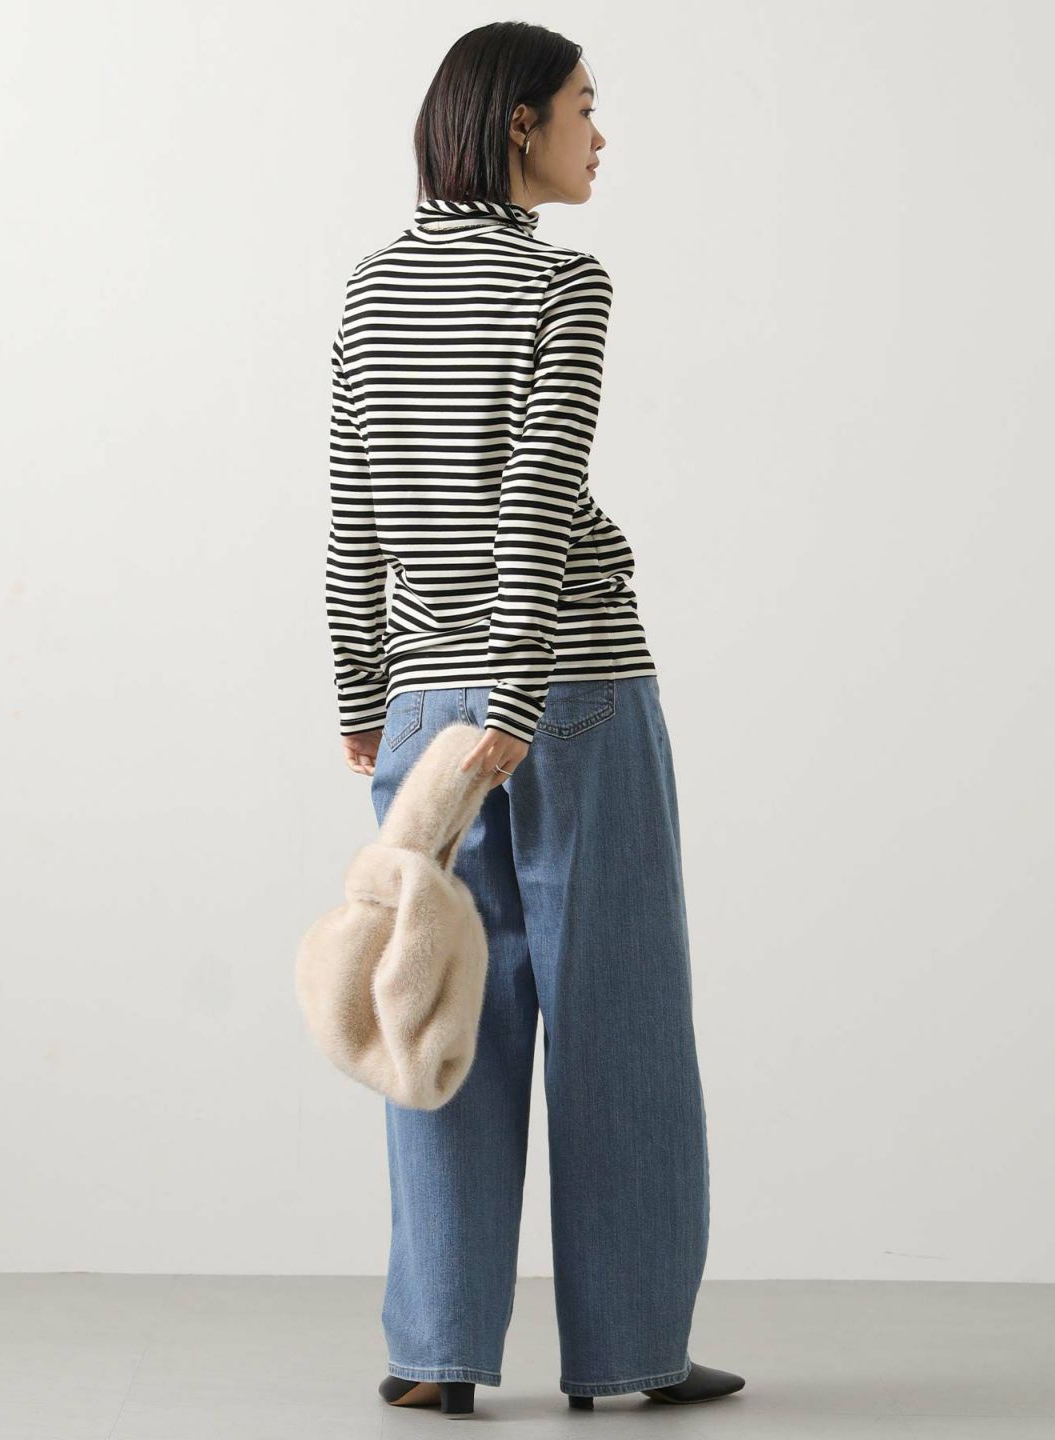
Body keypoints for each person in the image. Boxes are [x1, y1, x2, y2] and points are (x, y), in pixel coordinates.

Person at [323, 20, 745, 1417]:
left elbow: (357, 511)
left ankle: (438, 1354)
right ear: (520, 126)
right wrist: (516, 694)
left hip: (421, 706)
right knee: (619, 1018)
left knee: (438, 1011)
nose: (598, 136)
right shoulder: (563, 283)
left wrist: (363, 694)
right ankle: (630, 1354)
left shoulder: (372, 285)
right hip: (569, 694)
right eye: (582, 108)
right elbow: (540, 500)